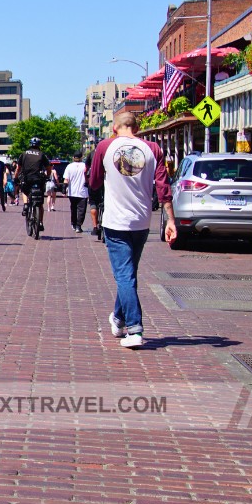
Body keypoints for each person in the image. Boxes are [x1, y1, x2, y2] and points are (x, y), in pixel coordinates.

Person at [88, 113, 175, 349]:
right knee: (128, 274)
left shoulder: (105, 146)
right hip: (141, 222)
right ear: (136, 128)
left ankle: (135, 329)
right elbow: (163, 187)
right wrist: (170, 220)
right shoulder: (153, 149)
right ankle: (118, 318)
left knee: (124, 276)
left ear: (114, 128)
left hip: (116, 221)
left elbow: (94, 182)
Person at [14, 137, 51, 229]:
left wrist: (15, 178)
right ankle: (41, 222)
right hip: (38, 179)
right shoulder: (42, 155)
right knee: (40, 202)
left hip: (27, 178)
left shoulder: (24, 154)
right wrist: (47, 176)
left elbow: (18, 168)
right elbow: (48, 168)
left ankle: (26, 204)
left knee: (24, 190)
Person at [64, 151, 89, 233]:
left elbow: (66, 179)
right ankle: (78, 225)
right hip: (83, 191)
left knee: (73, 208)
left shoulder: (69, 166)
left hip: (72, 192)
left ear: (73, 157)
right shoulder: (85, 166)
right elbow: (88, 177)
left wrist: (64, 189)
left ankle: (73, 224)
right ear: (81, 157)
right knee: (82, 210)